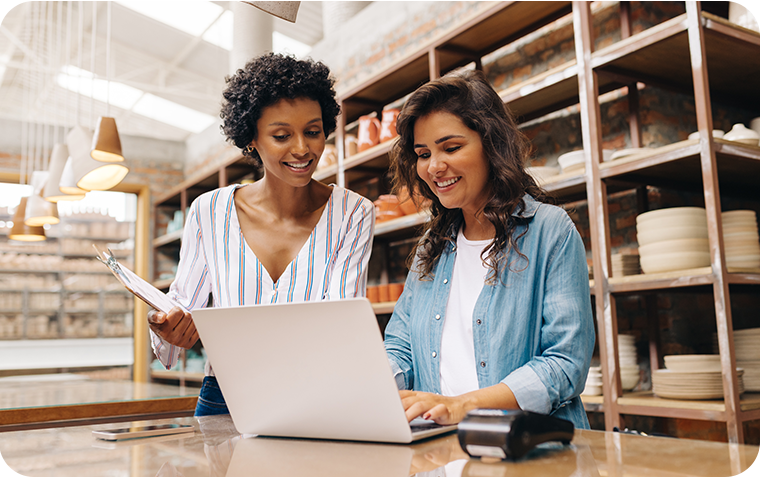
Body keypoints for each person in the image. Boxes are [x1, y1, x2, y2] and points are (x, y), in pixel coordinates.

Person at [147, 53, 375, 416]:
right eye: (282, 135)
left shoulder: (353, 213)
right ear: (251, 138)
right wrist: (166, 326)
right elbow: (182, 306)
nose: (302, 148)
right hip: (225, 396)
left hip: (316, 396)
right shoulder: (209, 212)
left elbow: (341, 324)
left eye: (313, 132)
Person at [384, 70, 594, 429]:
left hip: (528, 451)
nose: (434, 166)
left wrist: (462, 405)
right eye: (423, 153)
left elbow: (564, 364)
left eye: (451, 147)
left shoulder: (550, 231)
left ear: (491, 145)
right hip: (443, 451)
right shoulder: (429, 249)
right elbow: (401, 348)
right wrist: (364, 385)